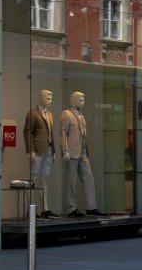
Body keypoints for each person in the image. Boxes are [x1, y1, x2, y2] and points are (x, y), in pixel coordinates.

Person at [60, 92, 105, 217]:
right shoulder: (66, 114)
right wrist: (65, 150)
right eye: (80, 100)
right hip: (72, 152)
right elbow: (63, 133)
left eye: (83, 100)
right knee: (71, 180)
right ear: (73, 100)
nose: (83, 102)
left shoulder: (81, 116)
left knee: (88, 177)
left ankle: (91, 207)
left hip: (83, 152)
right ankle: (71, 208)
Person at [22, 89, 59, 218]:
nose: (50, 100)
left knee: (45, 179)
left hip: (48, 150)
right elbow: (27, 132)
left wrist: (54, 151)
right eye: (47, 98)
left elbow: (51, 134)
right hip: (37, 150)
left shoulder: (50, 115)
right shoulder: (33, 114)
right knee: (33, 179)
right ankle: (30, 210)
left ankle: (45, 209)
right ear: (41, 98)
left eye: (51, 98)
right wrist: (30, 149)